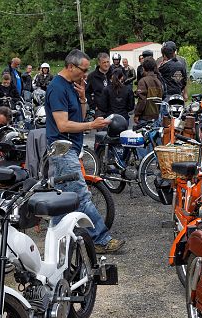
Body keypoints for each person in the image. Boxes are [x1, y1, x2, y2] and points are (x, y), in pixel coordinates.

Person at [45, 48, 124, 253]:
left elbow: (78, 117)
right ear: (70, 66)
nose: (85, 75)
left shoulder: (71, 86)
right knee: (81, 193)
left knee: (66, 197)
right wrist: (91, 126)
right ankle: (101, 239)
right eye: (83, 69)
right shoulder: (57, 88)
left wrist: (82, 99)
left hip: (71, 146)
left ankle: (55, 239)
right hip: (62, 148)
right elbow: (63, 125)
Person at [134, 57, 163, 124]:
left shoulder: (143, 81)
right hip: (156, 116)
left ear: (144, 68)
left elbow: (142, 100)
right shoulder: (159, 81)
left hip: (145, 117)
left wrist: (137, 114)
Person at [86, 53, 113, 118]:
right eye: (104, 62)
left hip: (114, 109)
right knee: (101, 128)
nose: (106, 64)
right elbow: (87, 92)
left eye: (107, 62)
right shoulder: (92, 76)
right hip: (99, 110)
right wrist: (93, 106)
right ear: (99, 63)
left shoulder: (115, 73)